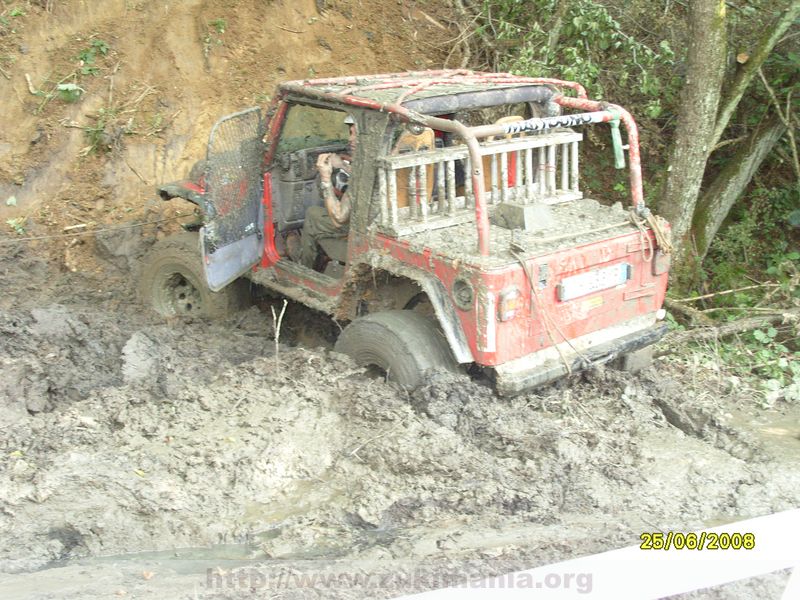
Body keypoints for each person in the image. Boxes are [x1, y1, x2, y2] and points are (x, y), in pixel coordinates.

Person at [298, 114, 356, 269]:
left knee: (312, 214)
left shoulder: (363, 173)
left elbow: (338, 219)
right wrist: (344, 167)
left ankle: (305, 270)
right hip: (375, 222)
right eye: (350, 133)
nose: (350, 139)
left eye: (355, 134)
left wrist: (325, 177)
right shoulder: (385, 155)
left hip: (359, 227)